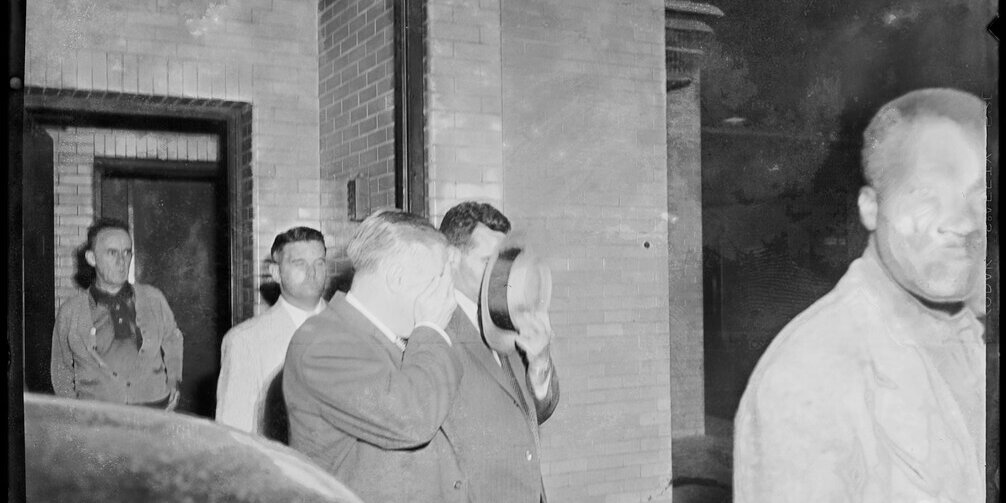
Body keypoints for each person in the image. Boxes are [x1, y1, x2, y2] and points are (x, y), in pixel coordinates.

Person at [734, 88, 987, 502]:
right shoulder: (808, 374)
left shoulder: (976, 343)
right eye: (927, 195)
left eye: (980, 197)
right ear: (870, 208)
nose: (962, 222)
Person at [283, 209, 468, 503]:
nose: (447, 297)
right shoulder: (322, 344)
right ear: (396, 277)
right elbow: (413, 419)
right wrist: (431, 327)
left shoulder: (395, 337)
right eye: (437, 280)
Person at [439, 201, 560, 502]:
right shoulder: (435, 329)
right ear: (451, 258)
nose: (500, 275)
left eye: (503, 263)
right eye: (486, 261)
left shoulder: (505, 315)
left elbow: (536, 413)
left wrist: (540, 366)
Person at [51, 218, 184, 410]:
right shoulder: (70, 312)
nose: (121, 261)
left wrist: (174, 380)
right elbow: (61, 368)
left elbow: (173, 339)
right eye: (112, 253)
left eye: (127, 252)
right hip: (96, 419)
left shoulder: (154, 299)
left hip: (154, 411)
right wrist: (71, 410)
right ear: (91, 258)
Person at [215, 227, 328, 435]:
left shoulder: (348, 326)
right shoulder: (245, 341)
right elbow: (233, 432)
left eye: (319, 263)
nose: (312, 273)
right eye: (299, 263)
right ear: (276, 272)